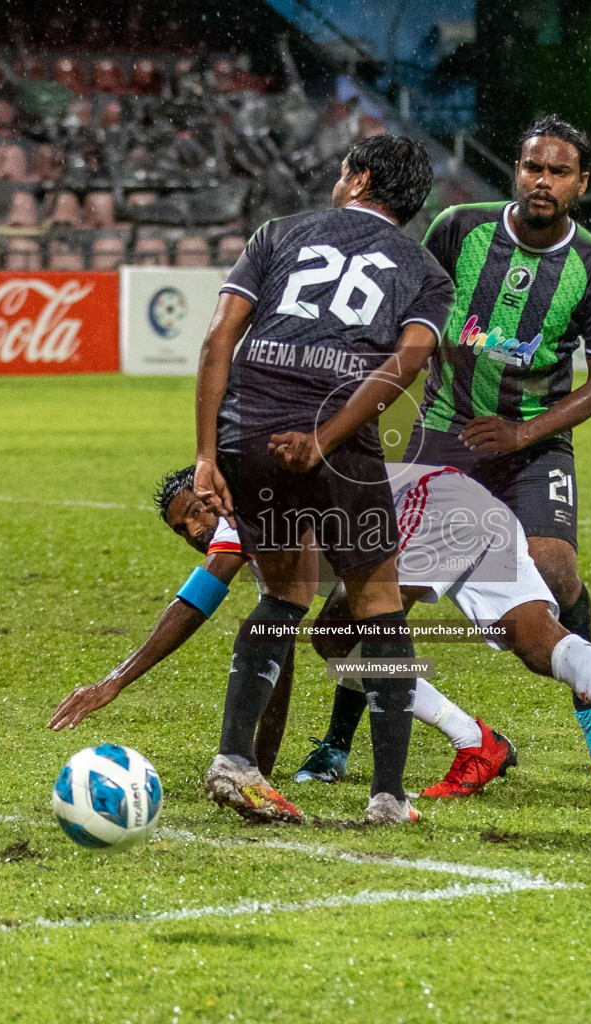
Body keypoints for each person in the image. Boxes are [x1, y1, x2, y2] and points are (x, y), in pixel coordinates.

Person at [47, 464, 591, 807]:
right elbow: (274, 642)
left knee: (341, 633)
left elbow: (196, 604)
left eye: (193, 509)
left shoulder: (241, 501)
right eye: (180, 526)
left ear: (211, 484)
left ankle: (475, 741)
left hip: (417, 515)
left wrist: (114, 682)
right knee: (533, 637)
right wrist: (258, 762)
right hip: (458, 496)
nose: (194, 527)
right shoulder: (262, 493)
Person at [192, 134, 454, 826]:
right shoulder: (425, 269)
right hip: (336, 444)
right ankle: (390, 796)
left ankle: (234, 762)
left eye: (344, 171)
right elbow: (406, 365)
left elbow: (219, 339)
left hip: (250, 431)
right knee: (378, 600)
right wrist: (326, 438)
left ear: (360, 177)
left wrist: (206, 455)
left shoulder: (279, 233)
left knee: (283, 594)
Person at [402, 114, 591, 775]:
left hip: (535, 442)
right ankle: (338, 738)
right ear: (516, 170)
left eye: (557, 171)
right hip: (446, 431)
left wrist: (524, 432)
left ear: (581, 184)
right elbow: (414, 312)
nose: (542, 181)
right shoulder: (458, 230)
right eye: (532, 167)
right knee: (383, 591)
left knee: (556, 570)